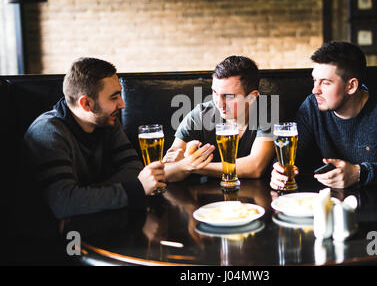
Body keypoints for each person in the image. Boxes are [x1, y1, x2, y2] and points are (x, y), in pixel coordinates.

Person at [270, 41, 377, 190]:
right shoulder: (312, 106)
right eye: (314, 81)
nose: (315, 90)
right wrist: (279, 171)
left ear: (351, 86)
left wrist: (359, 173)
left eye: (325, 82)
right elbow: (294, 155)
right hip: (328, 204)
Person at [23, 57, 166, 219]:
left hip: (95, 221)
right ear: (86, 104)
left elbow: (133, 170)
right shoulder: (48, 132)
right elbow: (64, 202)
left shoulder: (107, 122)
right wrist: (135, 189)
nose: (122, 104)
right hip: (48, 234)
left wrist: (85, 195)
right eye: (114, 97)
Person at [164, 55, 275, 181]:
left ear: (252, 97)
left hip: (256, 196)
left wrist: (191, 166)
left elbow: (255, 167)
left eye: (229, 96)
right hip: (206, 196)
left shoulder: (268, 108)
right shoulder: (200, 115)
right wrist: (182, 166)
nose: (219, 103)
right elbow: (167, 171)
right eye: (215, 93)